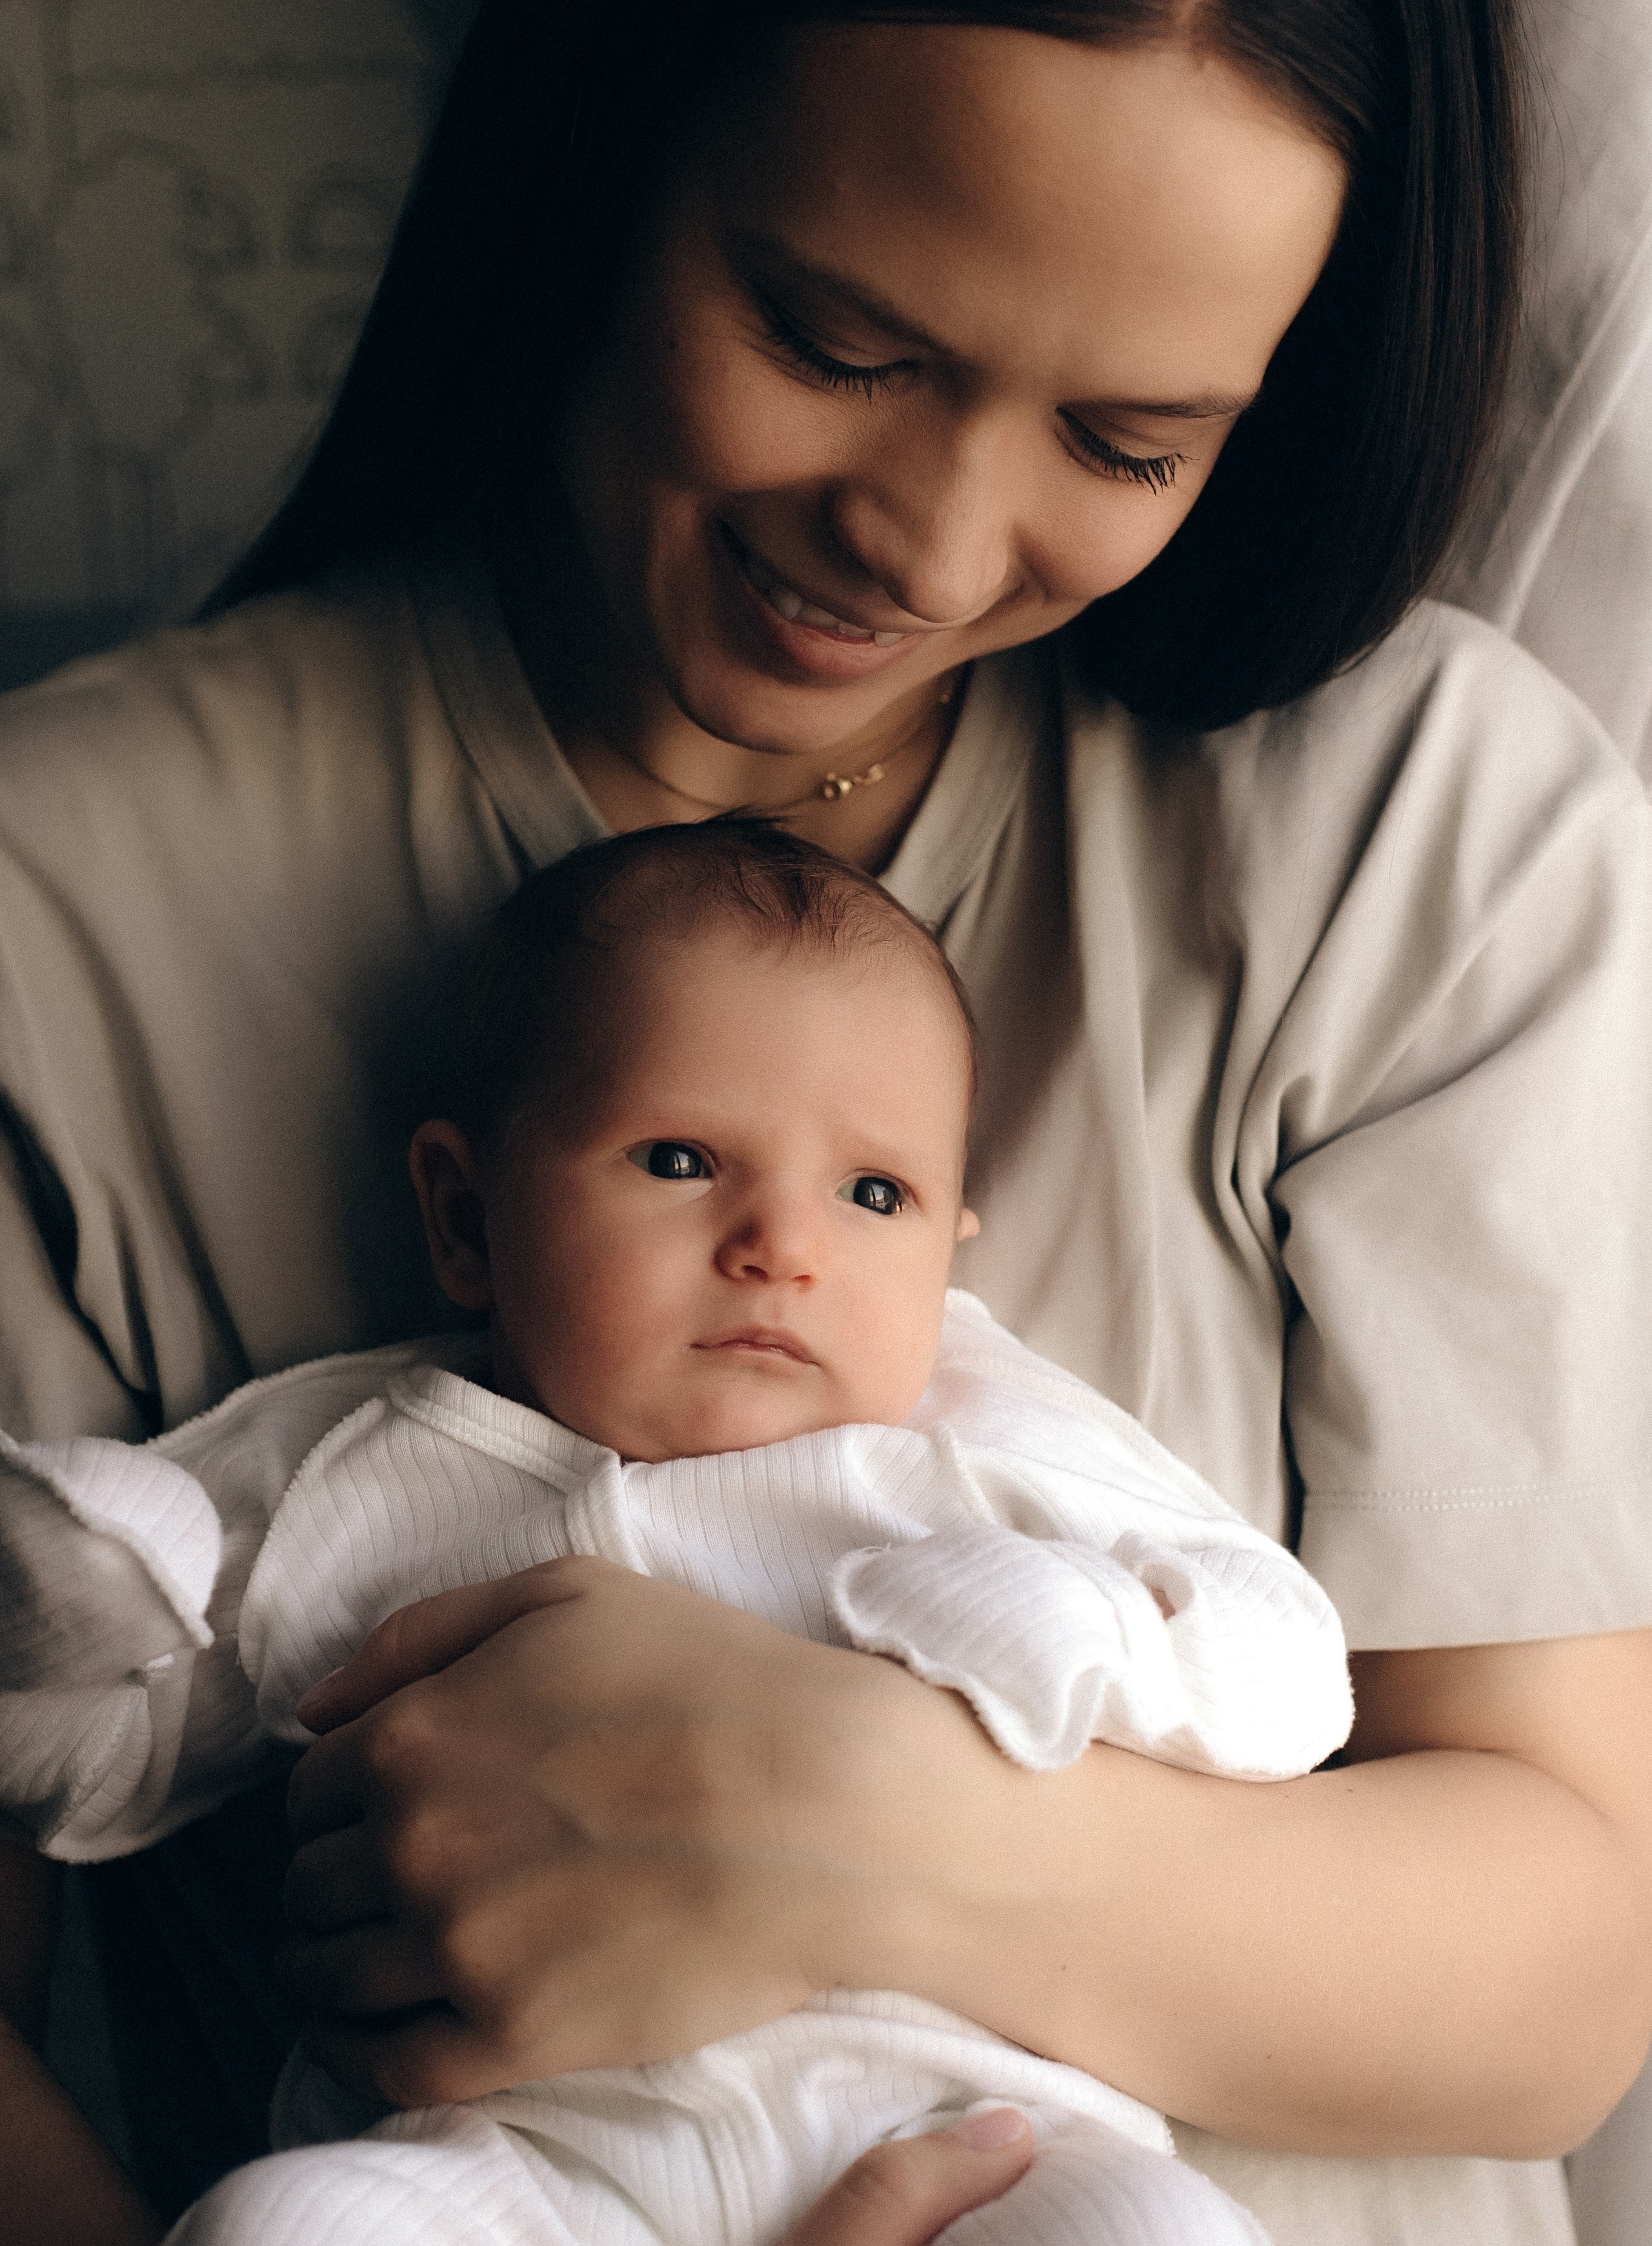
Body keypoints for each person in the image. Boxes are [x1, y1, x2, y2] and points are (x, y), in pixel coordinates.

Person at [2, 0, 1651, 2243]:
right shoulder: (74, 899)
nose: (934, 540)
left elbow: (1558, 1962)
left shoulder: (1429, 832)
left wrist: (815, 1822)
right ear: (620, 125)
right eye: (837, 336)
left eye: (1129, 438)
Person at [3, 820, 1356, 2245]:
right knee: (281, 2228)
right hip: (517, 2160)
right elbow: (94, 1772)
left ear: (952, 1241)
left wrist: (1094, 1627)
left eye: (872, 1191)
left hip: (973, 2137)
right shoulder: (365, 1468)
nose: (782, 1241)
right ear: (466, 1217)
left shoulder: (981, 1444)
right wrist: (89, 1601)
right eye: (678, 1157)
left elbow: (1287, 1671)